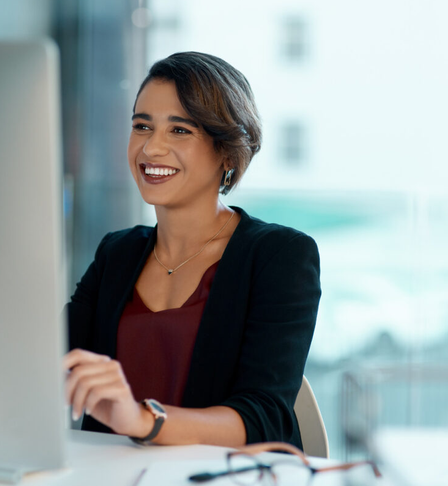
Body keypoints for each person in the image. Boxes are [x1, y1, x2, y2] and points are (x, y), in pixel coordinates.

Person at [63, 52, 321, 449]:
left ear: (226, 149)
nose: (152, 148)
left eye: (180, 130)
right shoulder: (117, 253)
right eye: (142, 126)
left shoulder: (280, 256)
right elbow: (50, 361)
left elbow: (264, 416)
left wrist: (140, 419)